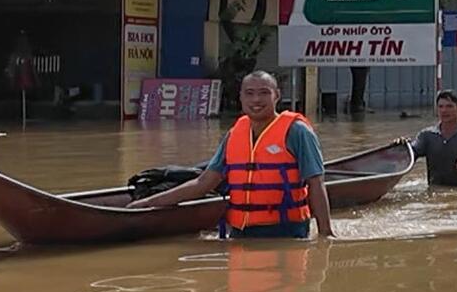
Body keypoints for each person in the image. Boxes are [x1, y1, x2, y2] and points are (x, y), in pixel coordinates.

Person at [131, 71, 334, 238]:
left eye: (264, 93)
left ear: (277, 96)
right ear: (241, 97)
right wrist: (150, 202)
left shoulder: (297, 132)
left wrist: (325, 235)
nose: (256, 99)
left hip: (287, 233)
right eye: (249, 93)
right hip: (240, 233)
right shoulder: (235, 134)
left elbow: (316, 183)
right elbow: (203, 183)